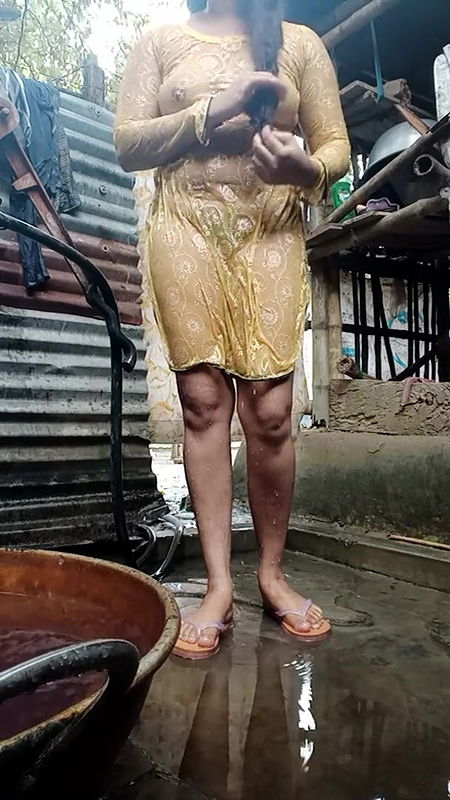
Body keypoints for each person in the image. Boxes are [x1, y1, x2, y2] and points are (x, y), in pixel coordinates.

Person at [115, 0, 350, 659]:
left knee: (272, 413)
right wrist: (212, 112)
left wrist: (307, 171)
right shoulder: (161, 41)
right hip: (186, 225)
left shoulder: (299, 43)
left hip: (271, 232)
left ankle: (270, 574)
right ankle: (219, 585)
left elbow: (336, 148)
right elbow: (129, 143)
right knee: (203, 403)